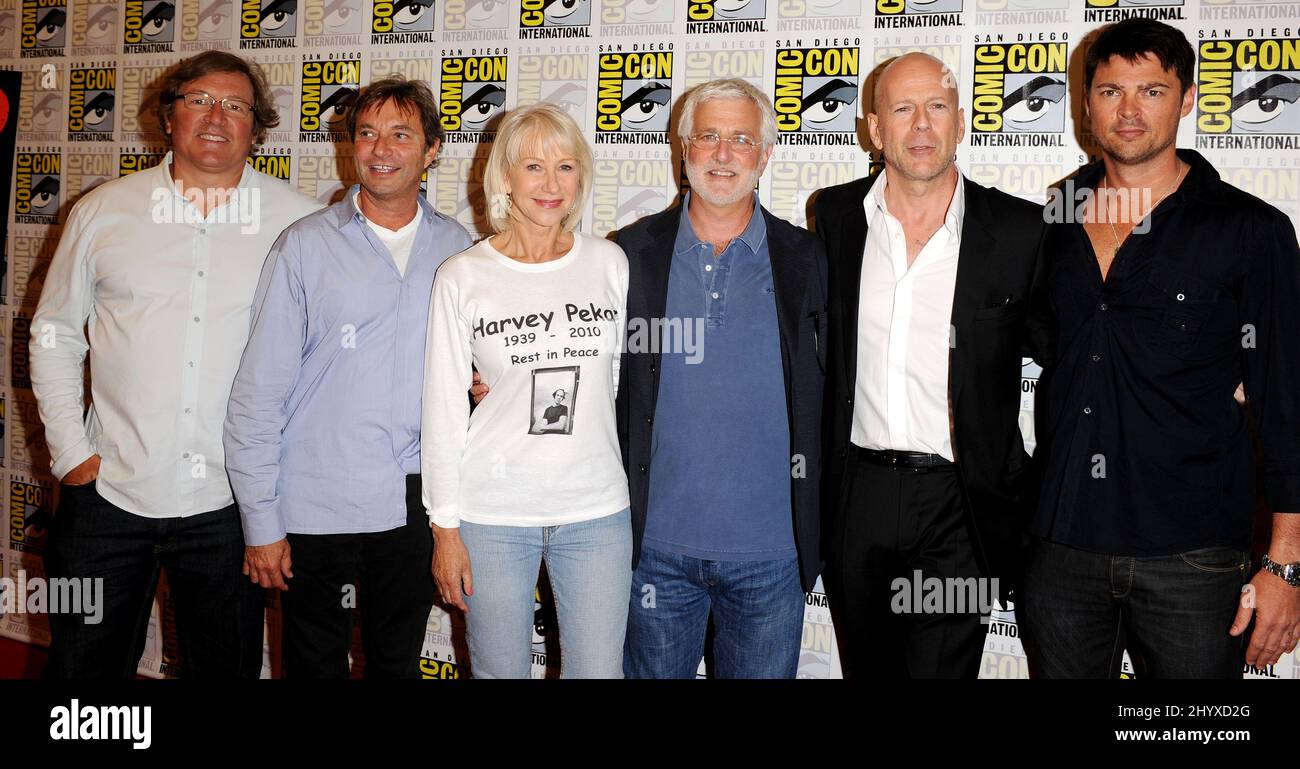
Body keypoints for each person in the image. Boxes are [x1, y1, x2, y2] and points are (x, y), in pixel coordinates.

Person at [1021, 18, 1300, 678]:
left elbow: (1287, 403)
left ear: (1187, 98)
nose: (1128, 110)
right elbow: (1037, 344)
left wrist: (1286, 561)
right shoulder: (1055, 219)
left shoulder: (1251, 229)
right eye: (1111, 90)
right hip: (1060, 549)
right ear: (1085, 102)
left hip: (1193, 556)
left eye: (1151, 91)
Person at [30, 51, 321, 679]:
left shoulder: (298, 224)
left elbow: (329, 352)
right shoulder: (103, 211)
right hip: (106, 495)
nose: (217, 116)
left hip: (232, 503)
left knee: (227, 669)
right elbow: (54, 332)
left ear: (257, 127)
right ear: (169, 116)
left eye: (236, 106)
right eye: (199, 100)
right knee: (81, 671)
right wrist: (71, 457)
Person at [223, 77, 470, 678]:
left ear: (432, 149)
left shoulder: (459, 248)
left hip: (414, 502)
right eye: (367, 133)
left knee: (396, 661)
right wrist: (261, 522)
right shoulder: (303, 246)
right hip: (316, 499)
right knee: (312, 665)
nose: (381, 149)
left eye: (401, 134)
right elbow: (258, 393)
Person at [813, 52, 1050, 678]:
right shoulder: (836, 217)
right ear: (873, 128)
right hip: (855, 496)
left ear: (962, 121)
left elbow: (1077, 352)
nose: (921, 125)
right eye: (902, 109)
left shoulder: (1022, 230)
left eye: (937, 106)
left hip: (961, 507)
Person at [615, 79, 827, 679]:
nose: (724, 153)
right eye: (707, 136)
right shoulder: (630, 255)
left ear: (766, 155)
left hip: (772, 556)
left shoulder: (807, 260)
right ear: (683, 151)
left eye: (741, 139)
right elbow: (587, 361)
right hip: (654, 552)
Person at [422, 103, 632, 679]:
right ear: (505, 178)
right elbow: (442, 409)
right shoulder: (462, 276)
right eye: (534, 166)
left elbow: (613, 388)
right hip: (492, 513)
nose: (551, 183)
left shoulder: (610, 263)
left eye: (566, 167)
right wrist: (445, 528)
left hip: (596, 511)